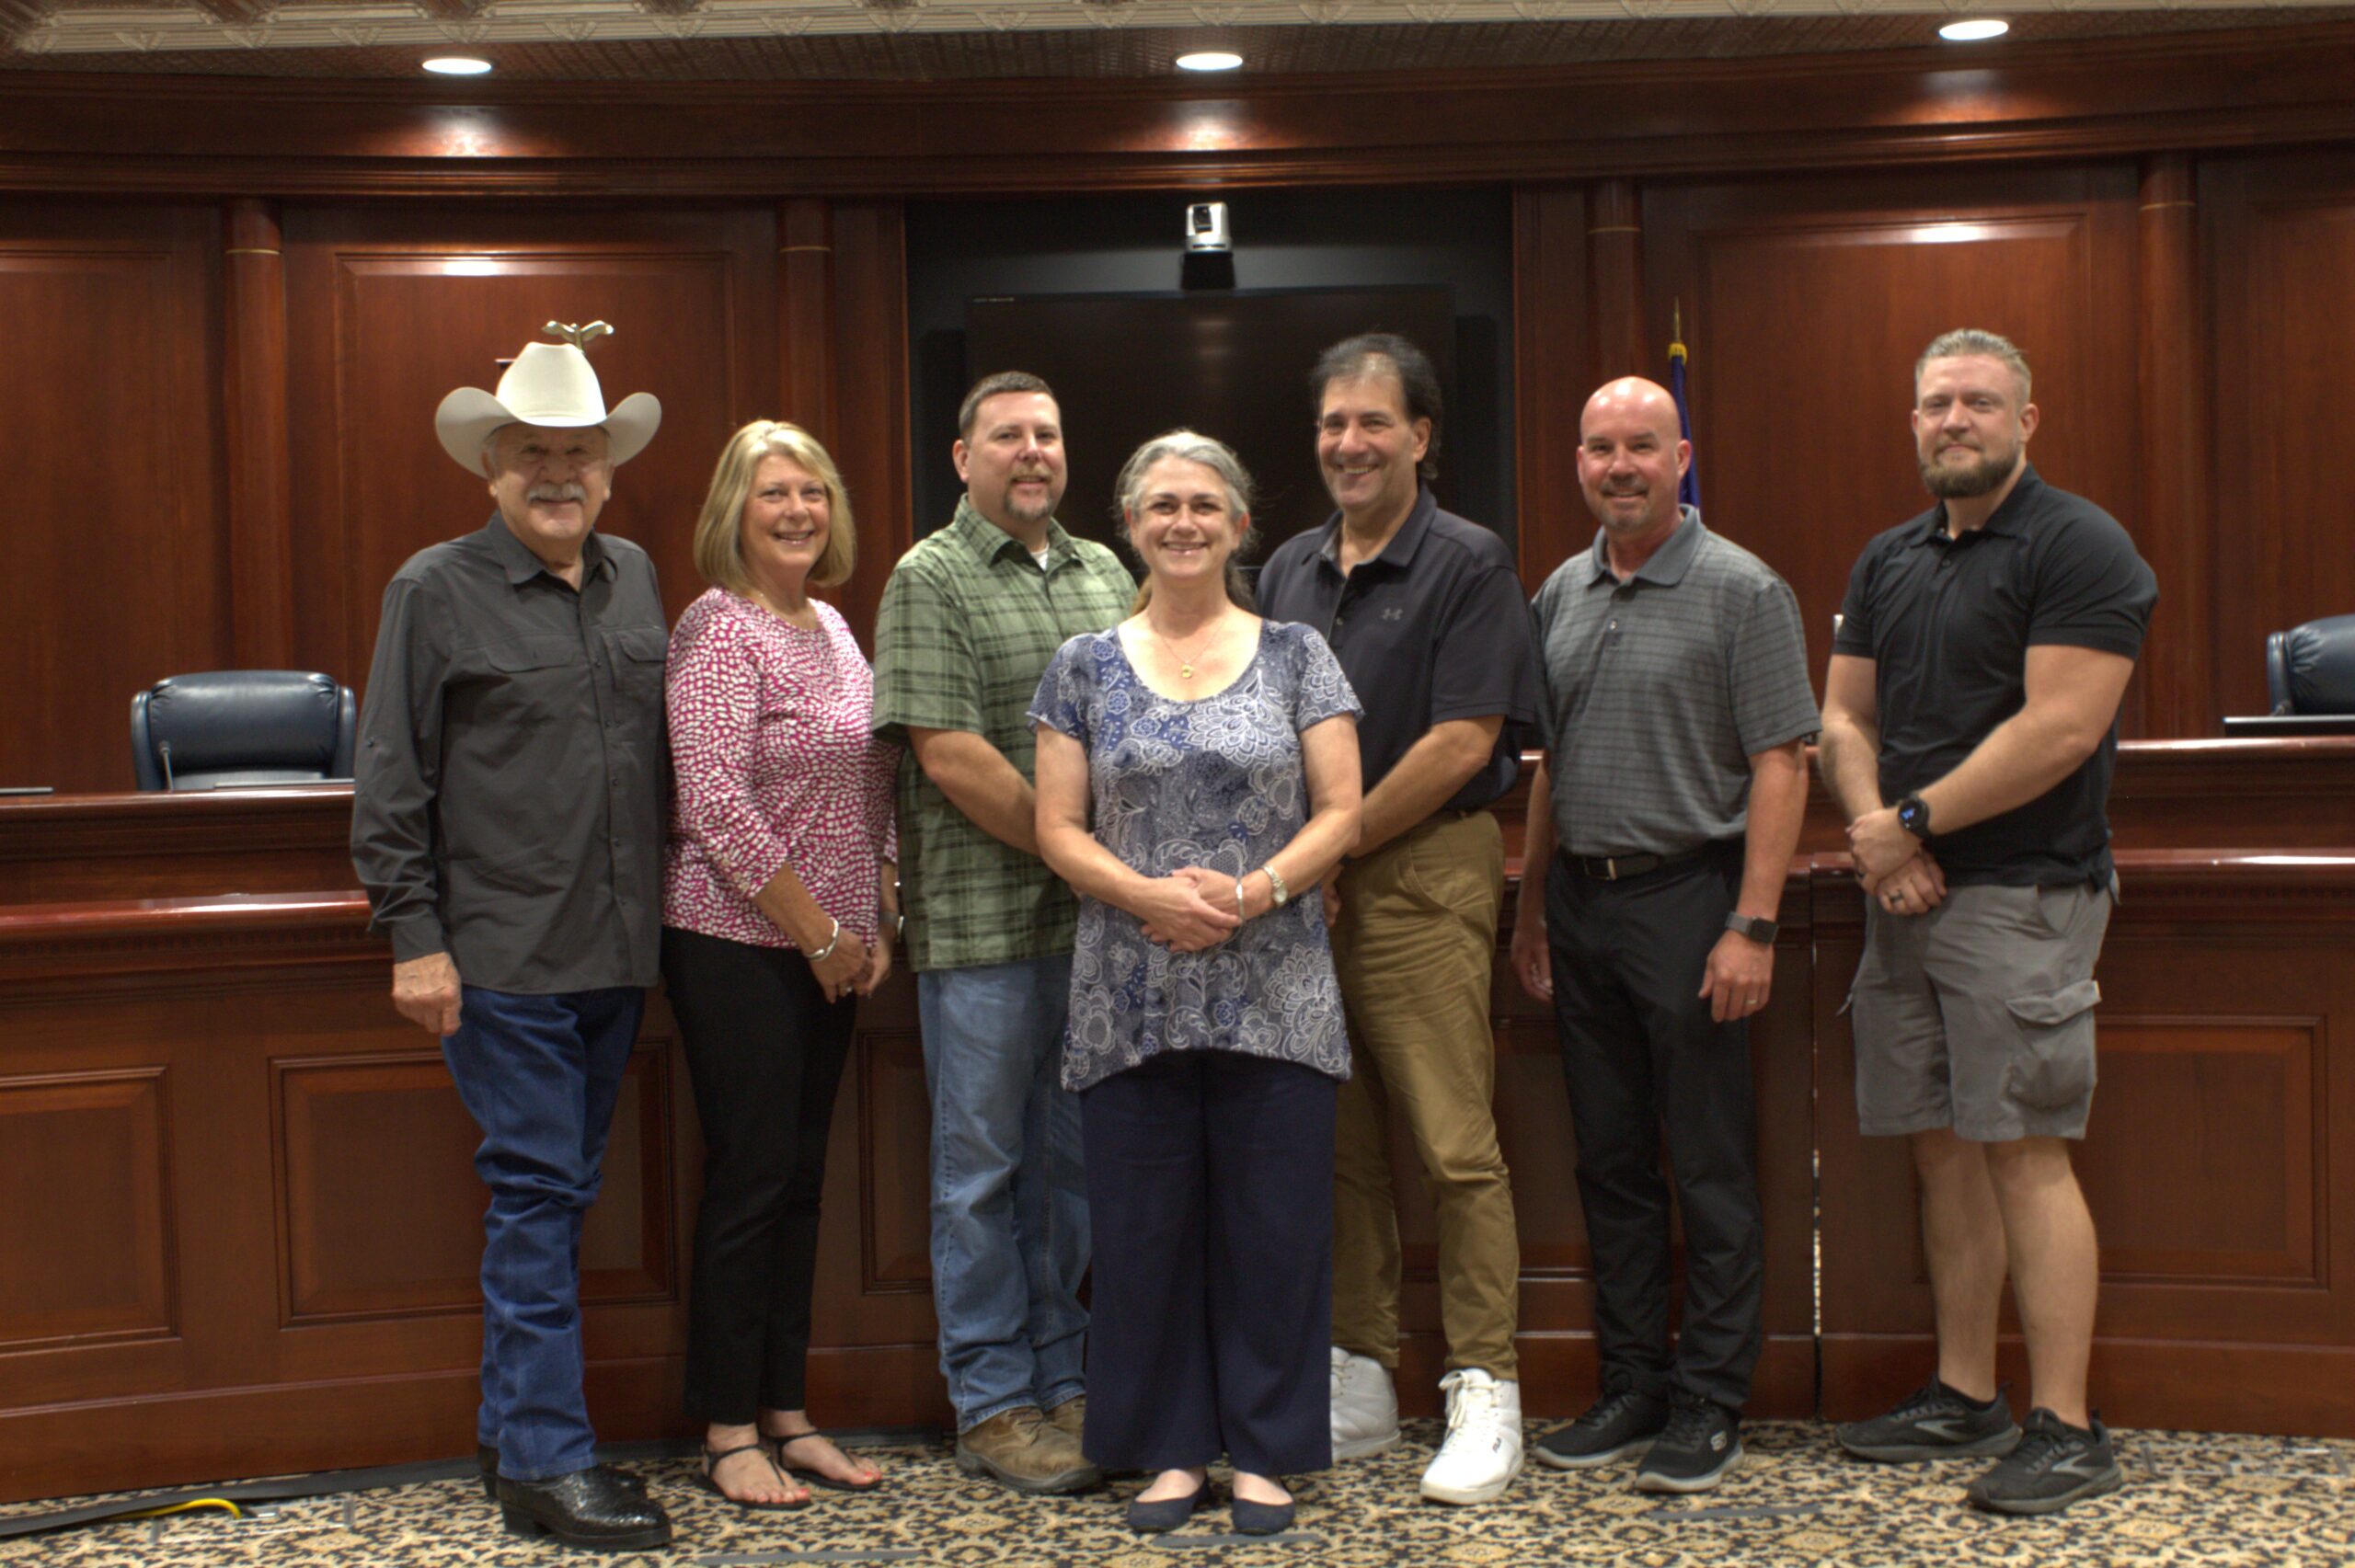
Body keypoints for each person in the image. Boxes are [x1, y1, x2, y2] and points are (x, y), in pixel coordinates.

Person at [1820, 329, 2156, 1516]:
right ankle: (1966, 1393)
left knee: (2021, 1143)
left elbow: (2061, 728)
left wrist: (1910, 822)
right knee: (1940, 1142)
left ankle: (2066, 1422)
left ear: (2027, 417)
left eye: (1977, 402)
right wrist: (1878, 834)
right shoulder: (1888, 558)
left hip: (2024, 890)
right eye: (1933, 404)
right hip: (1904, 892)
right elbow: (1842, 719)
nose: (1952, 420)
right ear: (1912, 422)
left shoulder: (2078, 543)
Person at [351, 326, 672, 1552]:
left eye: (578, 454)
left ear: (608, 468)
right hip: (500, 959)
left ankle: (507, 1434)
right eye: (532, 453)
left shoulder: (636, 576)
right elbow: (390, 783)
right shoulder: (431, 589)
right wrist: (414, 939)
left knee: (559, 1195)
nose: (558, 474)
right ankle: (548, 1462)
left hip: (616, 957)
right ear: (491, 466)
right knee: (539, 1200)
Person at [1031, 431, 1363, 1537]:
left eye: (1205, 505)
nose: (1184, 521)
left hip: (1277, 985)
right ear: (1129, 523)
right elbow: (1056, 830)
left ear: (1237, 524)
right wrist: (1151, 899)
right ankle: (1171, 1447)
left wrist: (1254, 891)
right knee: (1142, 1233)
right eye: (1162, 504)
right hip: (1130, 991)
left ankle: (1267, 1449)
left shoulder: (1298, 654)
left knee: (1274, 1229)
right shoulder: (1080, 663)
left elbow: (1342, 811)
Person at [1511, 377, 1817, 1494]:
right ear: (1578, 462)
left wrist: (1753, 923)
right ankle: (1634, 1382)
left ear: (1680, 456)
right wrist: (1532, 898)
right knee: (1611, 1164)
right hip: (1584, 906)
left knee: (1709, 1164)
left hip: (1694, 902)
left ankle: (1711, 1400)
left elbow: (1783, 759)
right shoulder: (1561, 590)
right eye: (1600, 448)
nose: (1620, 465)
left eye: (1642, 446)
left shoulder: (1745, 589)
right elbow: (1549, 766)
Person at [1255, 333, 1544, 1506]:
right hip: (1306, 889)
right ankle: (1361, 1366)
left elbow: (1465, 742)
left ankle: (1486, 1383)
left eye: (1373, 422)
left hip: (1421, 874)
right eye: (1332, 423)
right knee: (1338, 1144)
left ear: (1421, 436)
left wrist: (1333, 842)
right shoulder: (1284, 569)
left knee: (1451, 1141)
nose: (1349, 443)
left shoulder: (1469, 562)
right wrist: (1298, 859)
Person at [870, 372, 1135, 1494]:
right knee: (980, 1173)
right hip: (980, 929)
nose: (1031, 452)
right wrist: (1079, 847)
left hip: (1090, 934)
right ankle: (989, 1402)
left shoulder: (1105, 570)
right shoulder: (925, 577)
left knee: (1070, 1170)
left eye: (1048, 434)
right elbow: (951, 753)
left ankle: (1062, 1378)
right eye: (1007, 436)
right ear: (961, 454)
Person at [661, 420, 896, 1508]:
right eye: (773, 494)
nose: (798, 509)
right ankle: (724, 1427)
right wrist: (818, 931)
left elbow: (872, 778)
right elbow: (713, 802)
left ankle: (785, 1409)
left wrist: (877, 908)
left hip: (833, 953)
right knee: (752, 1180)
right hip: (737, 941)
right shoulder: (716, 627)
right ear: (733, 512)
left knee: (802, 1181)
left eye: (813, 490)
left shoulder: (836, 626)